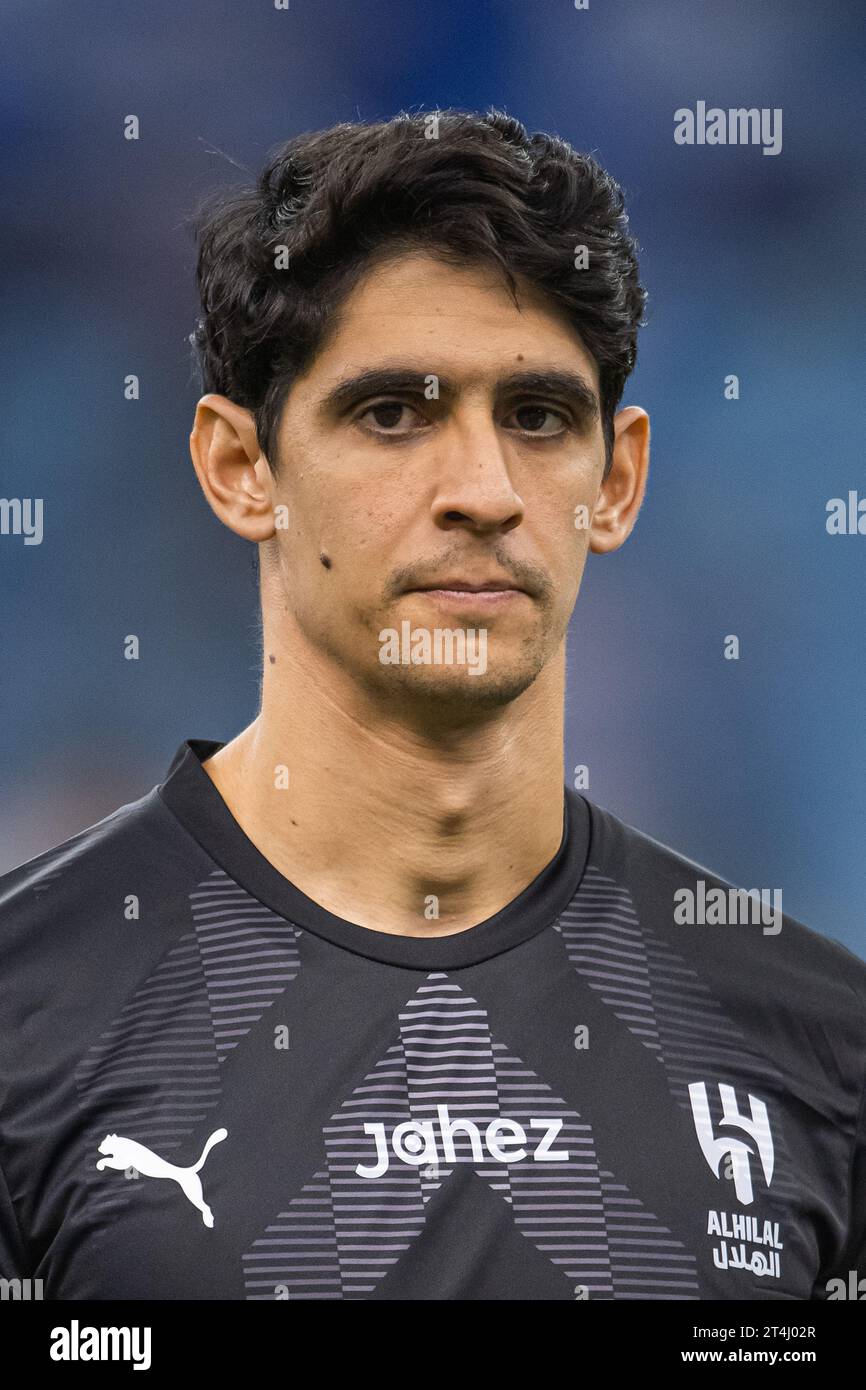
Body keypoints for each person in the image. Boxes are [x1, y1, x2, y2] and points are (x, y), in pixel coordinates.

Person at [1, 110, 863, 1301]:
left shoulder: (821, 1040)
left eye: (537, 417)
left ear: (614, 483)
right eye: (392, 413)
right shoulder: (23, 1008)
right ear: (241, 469)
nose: (481, 490)